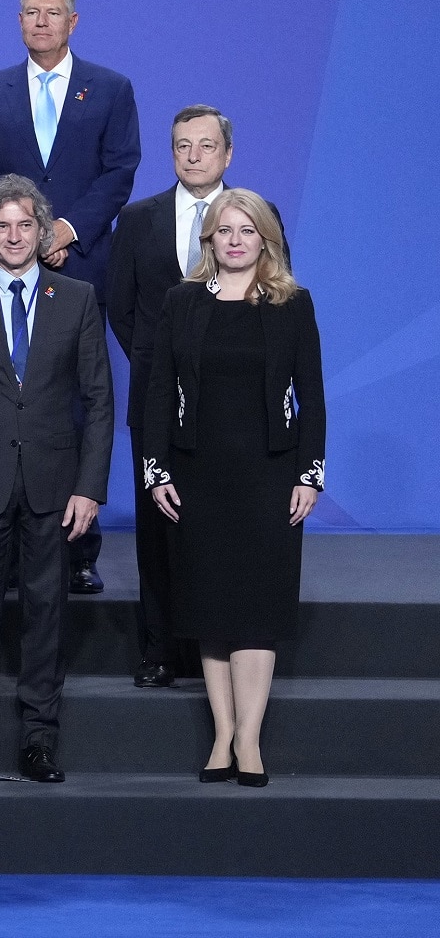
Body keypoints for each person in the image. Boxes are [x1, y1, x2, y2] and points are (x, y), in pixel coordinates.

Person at [0, 174, 114, 786]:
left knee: (46, 617)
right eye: (2, 226)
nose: (13, 236)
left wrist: (89, 487)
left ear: (42, 231)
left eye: (25, 225)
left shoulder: (77, 298)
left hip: (55, 487)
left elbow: (99, 401)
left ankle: (39, 740)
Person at [139, 190, 322, 787]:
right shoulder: (183, 301)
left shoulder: (293, 304)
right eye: (225, 230)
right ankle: (222, 734)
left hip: (270, 476)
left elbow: (312, 397)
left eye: (247, 230)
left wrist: (309, 474)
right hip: (198, 475)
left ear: (265, 240)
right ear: (209, 239)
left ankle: (250, 739)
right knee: (211, 607)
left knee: (257, 610)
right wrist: (157, 470)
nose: (235, 240)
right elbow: (159, 393)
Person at [0, 0, 138, 595]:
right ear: (19, 21)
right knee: (8, 400)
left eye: (52, 13)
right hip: (7, 264)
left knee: (76, 406)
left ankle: (78, 550)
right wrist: (25, 234)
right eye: (30, 13)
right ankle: (8, 548)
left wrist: (65, 229)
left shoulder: (111, 89)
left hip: (80, 266)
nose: (40, 22)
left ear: (73, 22)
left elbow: (120, 171)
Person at [109, 105, 262, 688]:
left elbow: (274, 303)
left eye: (206, 146)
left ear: (228, 154)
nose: (193, 156)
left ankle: (219, 647)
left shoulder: (255, 219)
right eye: (182, 146)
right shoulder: (137, 219)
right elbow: (121, 309)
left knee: (224, 527)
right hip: (156, 401)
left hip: (236, 407)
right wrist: (161, 371)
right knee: (158, 526)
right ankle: (159, 650)